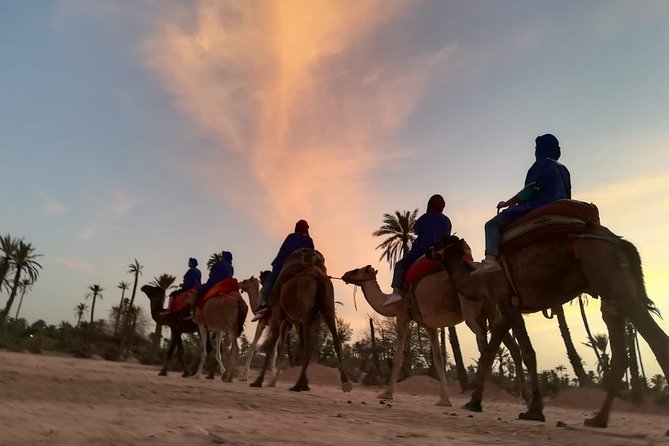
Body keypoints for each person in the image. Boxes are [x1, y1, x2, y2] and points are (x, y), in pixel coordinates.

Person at [476, 133, 571, 273]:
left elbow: (528, 192)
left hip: (537, 205)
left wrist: (506, 203)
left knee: (491, 225)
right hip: (561, 207)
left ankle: (490, 261)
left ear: (540, 149)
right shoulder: (564, 170)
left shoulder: (542, 164)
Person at [384, 194, 452, 305]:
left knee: (400, 265)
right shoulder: (446, 220)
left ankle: (395, 293)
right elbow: (447, 235)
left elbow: (415, 230)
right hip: (440, 251)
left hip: (421, 250)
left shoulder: (425, 217)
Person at [252, 219, 314, 320]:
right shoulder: (309, 240)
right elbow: (311, 255)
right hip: (304, 267)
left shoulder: (291, 237)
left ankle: (262, 306)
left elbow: (283, 252)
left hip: (287, 265)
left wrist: (277, 265)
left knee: (269, 281)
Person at [190, 251, 234, 316]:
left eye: (222, 256)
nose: (221, 257)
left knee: (198, 293)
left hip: (214, 283)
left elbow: (210, 275)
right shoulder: (231, 267)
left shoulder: (218, 263)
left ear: (224, 257)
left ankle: (192, 312)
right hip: (225, 285)